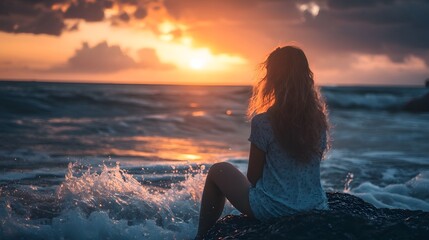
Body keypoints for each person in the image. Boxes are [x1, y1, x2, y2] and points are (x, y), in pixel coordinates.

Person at [195, 45, 330, 239]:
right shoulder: (318, 119)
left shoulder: (264, 122)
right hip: (316, 206)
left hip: (275, 210)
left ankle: (201, 236)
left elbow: (253, 177)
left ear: (273, 79)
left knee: (218, 170)